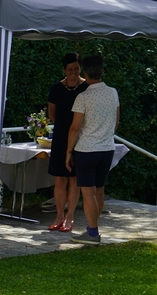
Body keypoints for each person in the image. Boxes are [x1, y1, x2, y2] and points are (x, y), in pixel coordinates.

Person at [66, 55, 120, 245]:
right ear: (102, 71)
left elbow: (75, 128)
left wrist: (68, 151)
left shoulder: (83, 97)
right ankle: (93, 228)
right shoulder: (113, 93)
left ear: (85, 73)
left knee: (88, 193)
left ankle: (92, 232)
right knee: (99, 191)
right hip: (107, 148)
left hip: (86, 150)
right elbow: (116, 121)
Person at [47, 53, 88, 232]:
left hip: (80, 138)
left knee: (74, 179)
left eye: (76, 69)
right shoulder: (56, 88)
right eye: (70, 69)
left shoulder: (86, 87)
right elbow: (51, 113)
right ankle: (58, 216)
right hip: (60, 138)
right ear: (64, 69)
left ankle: (70, 217)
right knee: (60, 178)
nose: (73, 72)